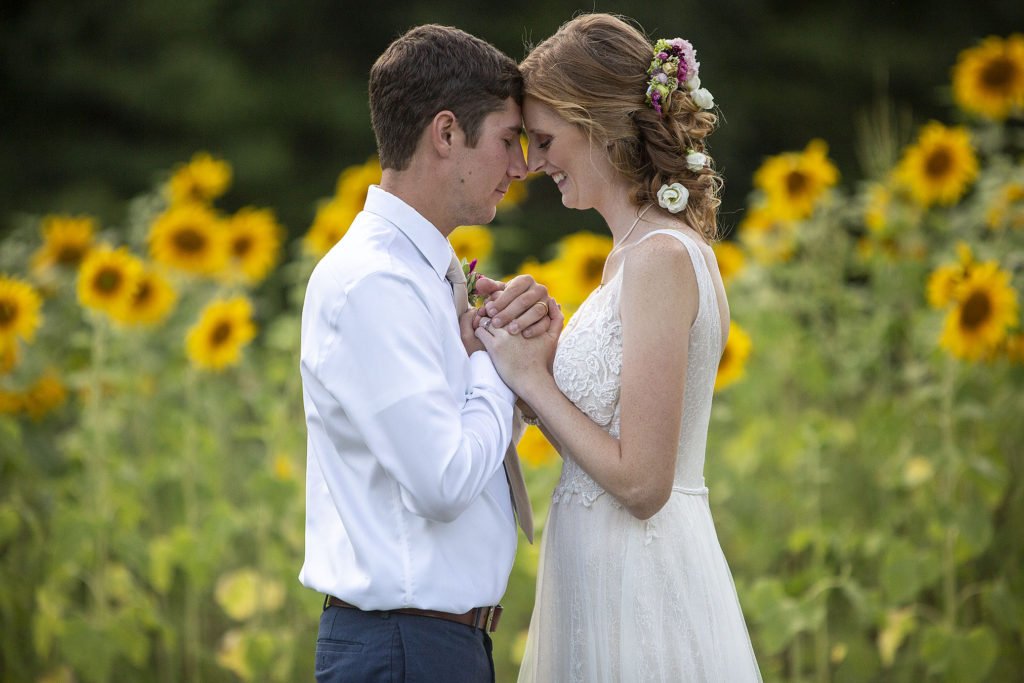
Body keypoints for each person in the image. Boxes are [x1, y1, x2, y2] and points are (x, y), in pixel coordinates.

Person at [473, 14, 762, 681]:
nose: (533, 162)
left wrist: (532, 379)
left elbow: (642, 482)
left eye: (545, 139)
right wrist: (534, 345)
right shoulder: (628, 257)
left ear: (598, 125)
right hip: (600, 569)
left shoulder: (661, 257)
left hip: (642, 581)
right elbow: (602, 423)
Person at [298, 24, 557, 682]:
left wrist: (509, 364)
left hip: (432, 646)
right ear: (446, 134)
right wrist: (497, 361)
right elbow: (442, 481)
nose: (521, 165)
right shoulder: (374, 283)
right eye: (507, 140)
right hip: (404, 649)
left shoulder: (421, 275)